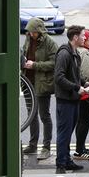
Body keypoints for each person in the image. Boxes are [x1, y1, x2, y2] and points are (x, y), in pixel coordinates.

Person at [52, 25, 89, 173]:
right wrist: (77, 87)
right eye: (82, 35)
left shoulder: (74, 52)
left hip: (73, 99)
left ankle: (66, 160)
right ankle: (61, 164)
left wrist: (83, 82)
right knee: (64, 132)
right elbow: (59, 77)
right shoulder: (64, 53)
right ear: (75, 37)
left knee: (68, 132)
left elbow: (73, 74)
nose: (84, 37)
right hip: (65, 100)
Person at [21, 18, 58, 159]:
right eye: (29, 32)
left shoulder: (50, 43)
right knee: (32, 115)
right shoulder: (28, 38)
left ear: (40, 31)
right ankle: (32, 144)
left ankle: (46, 147)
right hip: (28, 84)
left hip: (42, 84)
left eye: (34, 32)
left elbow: (54, 63)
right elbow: (25, 54)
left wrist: (35, 65)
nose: (31, 34)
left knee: (44, 115)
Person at [73, 29, 89, 161]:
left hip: (80, 93)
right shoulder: (86, 54)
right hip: (86, 94)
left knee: (80, 121)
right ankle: (80, 150)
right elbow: (88, 75)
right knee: (85, 121)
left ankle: (81, 148)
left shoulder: (78, 51)